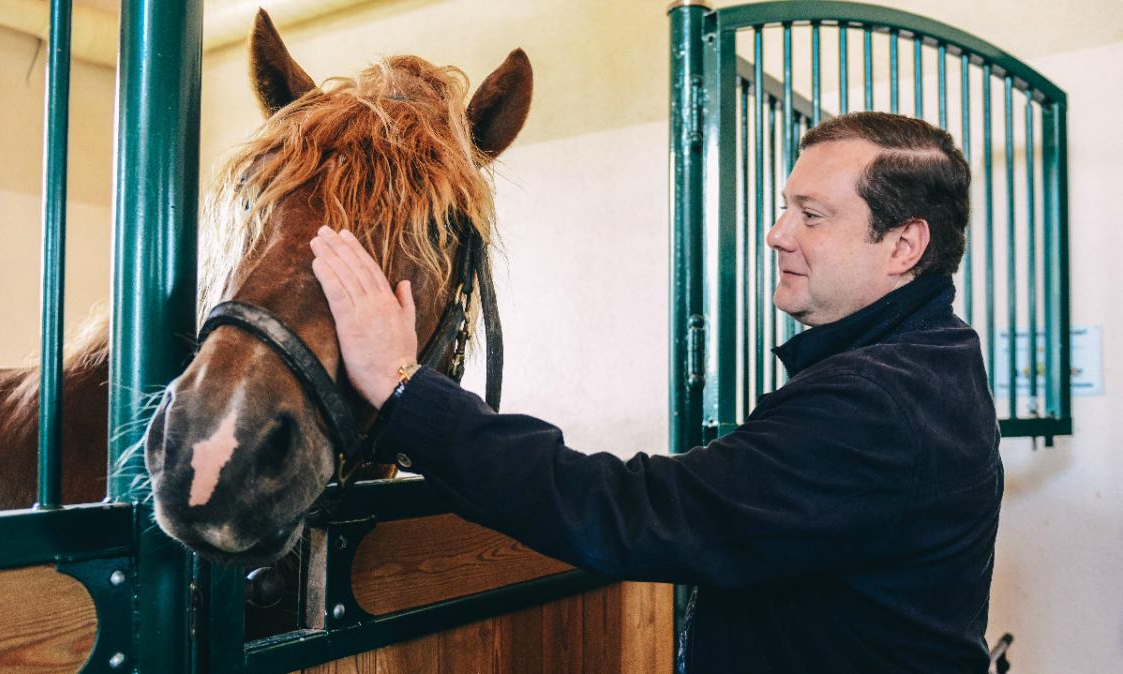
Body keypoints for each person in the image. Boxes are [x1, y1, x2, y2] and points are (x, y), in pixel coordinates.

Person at [308, 112, 1002, 674]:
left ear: (904, 245)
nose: (775, 234)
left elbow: (633, 512)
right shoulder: (936, 359)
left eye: (811, 215)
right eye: (784, 207)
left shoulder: (877, 401)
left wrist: (405, 389)